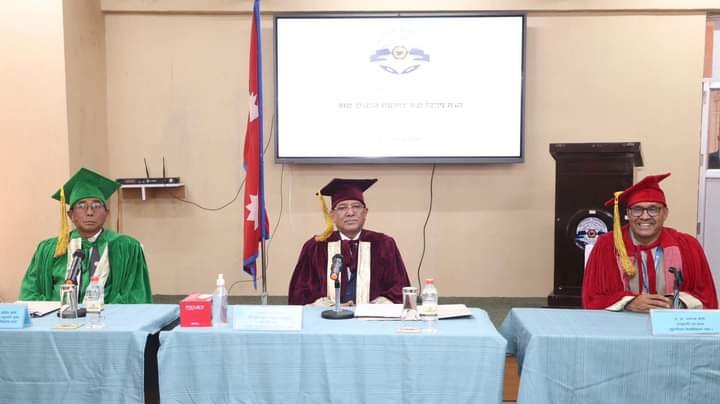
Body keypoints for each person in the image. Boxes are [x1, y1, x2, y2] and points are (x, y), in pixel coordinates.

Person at [582, 173, 718, 312]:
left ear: (665, 213)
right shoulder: (607, 245)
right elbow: (592, 297)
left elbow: (707, 297)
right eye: (637, 209)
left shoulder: (687, 246)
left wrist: (677, 302)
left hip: (670, 323)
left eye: (653, 209)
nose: (645, 216)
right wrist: (628, 302)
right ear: (628, 214)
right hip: (622, 323)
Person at [19, 168, 152, 304]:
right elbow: (29, 294)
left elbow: (135, 296)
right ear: (70, 215)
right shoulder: (50, 249)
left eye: (96, 205)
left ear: (106, 213)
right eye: (81, 205)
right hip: (58, 316)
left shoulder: (126, 248)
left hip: (108, 316)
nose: (89, 212)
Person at [288, 178, 410, 306]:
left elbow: (399, 290)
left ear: (365, 212)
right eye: (342, 208)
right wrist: (332, 307)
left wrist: (371, 307)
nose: (350, 213)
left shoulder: (384, 244)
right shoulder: (315, 247)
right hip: (327, 317)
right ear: (332, 215)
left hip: (372, 317)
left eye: (356, 206)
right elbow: (299, 294)